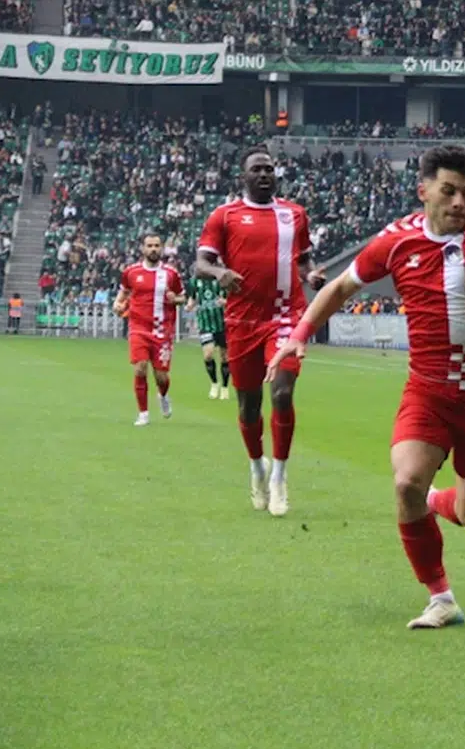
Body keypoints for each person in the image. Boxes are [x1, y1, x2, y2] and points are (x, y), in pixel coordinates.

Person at [268, 145, 465, 630]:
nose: (460, 203)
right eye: (449, 191)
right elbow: (340, 287)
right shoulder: (396, 240)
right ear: (423, 191)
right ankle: (440, 597)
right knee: (406, 480)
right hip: (427, 392)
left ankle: (435, 500)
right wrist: (300, 334)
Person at [195, 145, 326, 517]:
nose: (265, 174)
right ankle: (257, 467)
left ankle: (280, 477)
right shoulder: (225, 216)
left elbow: (303, 260)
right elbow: (201, 263)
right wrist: (220, 272)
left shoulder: (294, 214)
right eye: (257, 169)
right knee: (248, 405)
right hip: (241, 321)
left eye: (269, 168)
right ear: (244, 176)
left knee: (282, 393)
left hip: (286, 317)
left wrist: (311, 276)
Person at [112, 234, 184, 426]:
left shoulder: (171, 273)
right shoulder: (131, 272)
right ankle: (143, 413)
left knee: (161, 376)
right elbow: (124, 293)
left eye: (157, 245)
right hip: (138, 328)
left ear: (162, 248)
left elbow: (182, 297)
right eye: (150, 245)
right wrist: (117, 304)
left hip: (162, 330)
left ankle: (163, 395)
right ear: (143, 248)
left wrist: (175, 299)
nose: (153, 249)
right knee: (140, 368)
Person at [186, 274, 231, 400]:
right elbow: (192, 298)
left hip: (223, 324)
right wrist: (189, 305)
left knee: (225, 357)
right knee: (208, 354)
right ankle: (214, 383)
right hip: (205, 324)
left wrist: (225, 302)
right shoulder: (194, 281)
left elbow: (233, 300)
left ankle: (225, 387)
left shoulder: (222, 279)